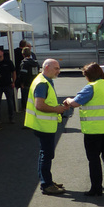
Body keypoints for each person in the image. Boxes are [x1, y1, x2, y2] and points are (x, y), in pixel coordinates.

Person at [64, 63, 104, 196]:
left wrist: (68, 100)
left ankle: (96, 188)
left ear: (89, 76)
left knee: (94, 159)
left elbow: (75, 103)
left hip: (93, 129)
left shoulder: (90, 88)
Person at [24, 59, 70, 195]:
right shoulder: (43, 83)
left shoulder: (42, 80)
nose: (58, 71)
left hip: (42, 124)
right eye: (56, 68)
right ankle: (46, 184)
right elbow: (40, 105)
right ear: (47, 67)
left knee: (45, 153)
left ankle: (46, 181)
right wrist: (57, 109)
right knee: (47, 154)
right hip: (43, 125)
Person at [0, 48, 16, 125]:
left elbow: (13, 72)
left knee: (10, 102)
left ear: (2, 53)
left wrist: (13, 82)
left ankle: (11, 117)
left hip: (8, 85)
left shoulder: (8, 62)